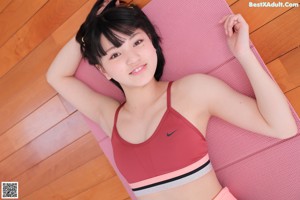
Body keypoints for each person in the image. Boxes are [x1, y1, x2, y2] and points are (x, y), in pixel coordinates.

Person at [46, 0, 297, 199]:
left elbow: (282, 127)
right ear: (103, 71)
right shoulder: (109, 117)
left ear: (152, 43)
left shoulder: (192, 92)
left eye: (137, 42)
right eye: (114, 54)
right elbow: (56, 77)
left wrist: (243, 54)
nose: (133, 58)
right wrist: (90, 29)